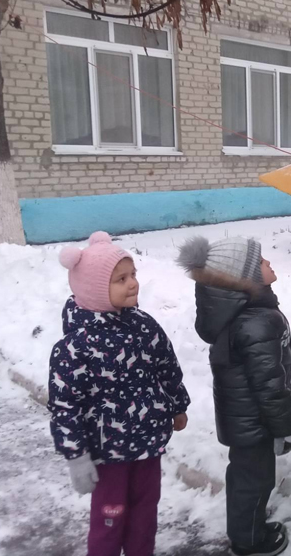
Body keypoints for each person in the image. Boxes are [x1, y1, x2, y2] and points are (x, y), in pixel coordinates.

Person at [48, 231, 191, 556]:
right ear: (95, 289)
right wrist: (76, 456)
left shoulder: (144, 326)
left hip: (148, 448)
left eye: (133, 275)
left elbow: (167, 367)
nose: (132, 283)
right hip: (107, 455)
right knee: (109, 520)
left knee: (145, 515)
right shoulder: (75, 347)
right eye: (121, 279)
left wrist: (177, 405)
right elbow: (64, 406)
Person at [177, 237, 291, 556]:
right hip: (255, 422)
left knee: (245, 479)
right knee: (255, 484)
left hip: (243, 418)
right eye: (260, 261)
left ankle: (247, 530)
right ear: (243, 279)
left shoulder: (245, 313)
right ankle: (250, 542)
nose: (269, 263)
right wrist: (284, 426)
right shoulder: (257, 321)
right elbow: (269, 385)